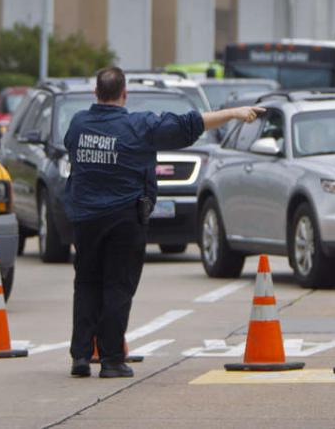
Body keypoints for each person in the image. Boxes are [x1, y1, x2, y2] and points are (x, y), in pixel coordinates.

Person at [63, 66, 264, 379]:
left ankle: (80, 356)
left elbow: (71, 153)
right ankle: (112, 359)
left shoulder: (78, 125)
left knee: (86, 283)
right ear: (124, 94)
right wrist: (235, 113)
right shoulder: (137, 126)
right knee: (117, 287)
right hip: (123, 219)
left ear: (96, 93)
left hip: (85, 218)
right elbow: (189, 125)